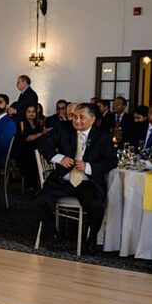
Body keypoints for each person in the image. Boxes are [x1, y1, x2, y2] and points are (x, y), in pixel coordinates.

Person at [36, 103, 118, 255]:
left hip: (87, 182)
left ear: (92, 119)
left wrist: (88, 167)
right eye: (74, 117)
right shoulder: (63, 129)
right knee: (42, 200)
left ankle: (91, 241)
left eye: (82, 117)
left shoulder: (103, 135)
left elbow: (112, 161)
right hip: (63, 179)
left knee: (97, 206)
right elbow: (43, 144)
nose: (77, 121)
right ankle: (53, 235)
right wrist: (58, 158)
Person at [16, 104, 52, 191]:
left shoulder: (37, 123)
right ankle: (31, 186)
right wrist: (41, 133)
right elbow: (26, 138)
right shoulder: (22, 123)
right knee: (31, 158)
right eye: (29, 112)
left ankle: (43, 185)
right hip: (24, 149)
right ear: (25, 113)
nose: (31, 114)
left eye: (33, 112)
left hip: (36, 149)